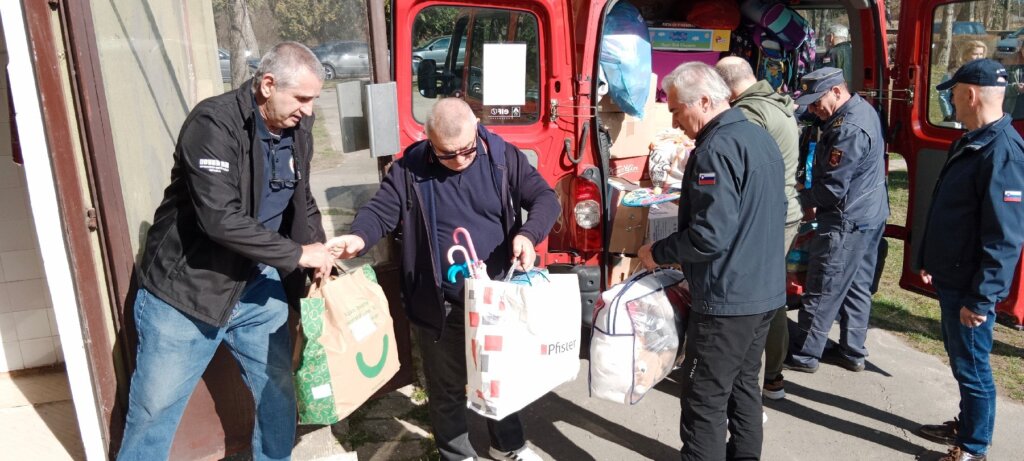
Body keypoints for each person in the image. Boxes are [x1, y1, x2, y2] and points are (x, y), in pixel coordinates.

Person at [117, 42, 333, 460]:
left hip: (257, 286)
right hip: (188, 294)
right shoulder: (213, 123)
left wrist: (318, 249)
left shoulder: (296, 129)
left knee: (277, 392)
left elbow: (301, 199)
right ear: (268, 85)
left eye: (314, 100)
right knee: (153, 411)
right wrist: (295, 255)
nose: (308, 111)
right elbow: (219, 218)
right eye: (303, 99)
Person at [327, 98, 559, 461]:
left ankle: (507, 447)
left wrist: (529, 234)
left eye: (466, 150)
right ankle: (457, 454)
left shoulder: (501, 157)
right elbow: (381, 211)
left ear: (477, 129)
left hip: (495, 298)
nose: (460, 160)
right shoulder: (411, 169)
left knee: (502, 376)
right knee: (447, 388)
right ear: (429, 140)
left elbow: (545, 198)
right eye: (447, 154)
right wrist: (358, 238)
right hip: (442, 304)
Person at [637, 62, 786, 461]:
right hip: (763, 291)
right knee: (742, 389)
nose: (674, 120)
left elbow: (709, 235)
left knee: (704, 399)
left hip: (728, 300)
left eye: (676, 110)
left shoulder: (715, 149)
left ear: (703, 101)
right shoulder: (758, 137)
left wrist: (659, 252)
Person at [917, 59, 1024, 461]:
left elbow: (1005, 237)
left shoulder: (1003, 152)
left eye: (954, 95)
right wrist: (930, 257)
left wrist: (982, 299)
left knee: (973, 366)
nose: (952, 104)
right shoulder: (973, 140)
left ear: (971, 94)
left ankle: (974, 447)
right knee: (963, 360)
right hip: (954, 275)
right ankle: (968, 425)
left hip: (971, 286)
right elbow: (951, 208)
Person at [786, 67, 889, 374]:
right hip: (867, 214)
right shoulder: (857, 110)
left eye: (818, 101)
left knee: (824, 284)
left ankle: (805, 354)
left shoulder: (848, 128)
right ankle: (852, 350)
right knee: (857, 284)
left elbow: (832, 188)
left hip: (847, 218)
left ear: (836, 91)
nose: (815, 109)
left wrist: (800, 201)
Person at [716, 56, 802, 401]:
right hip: (785, 210)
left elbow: (739, 170)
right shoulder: (777, 103)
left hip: (766, 215)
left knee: (758, 298)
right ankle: (772, 374)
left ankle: (761, 374)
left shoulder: (750, 113)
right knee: (771, 295)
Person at [940, 41, 989, 122]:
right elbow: (943, 96)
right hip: (957, 117)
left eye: (981, 54)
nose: (979, 57)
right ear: (966, 55)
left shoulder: (985, 73)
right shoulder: (953, 73)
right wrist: (948, 115)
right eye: (975, 54)